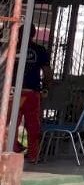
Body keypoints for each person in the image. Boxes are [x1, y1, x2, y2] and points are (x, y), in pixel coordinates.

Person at [17, 33, 48, 161]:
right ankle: (33, 155)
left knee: (10, 124)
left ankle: (9, 152)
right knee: (33, 126)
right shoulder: (40, 50)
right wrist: (46, 88)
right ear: (34, 34)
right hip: (32, 92)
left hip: (14, 92)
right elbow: (47, 71)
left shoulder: (12, 46)